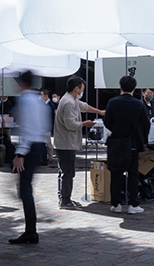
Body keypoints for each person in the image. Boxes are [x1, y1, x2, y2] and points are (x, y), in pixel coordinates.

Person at [9, 70, 50, 244]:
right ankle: (30, 231)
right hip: (39, 145)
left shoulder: (25, 100)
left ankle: (31, 231)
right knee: (26, 189)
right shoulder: (39, 100)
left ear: (22, 83)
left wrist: (20, 153)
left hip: (30, 147)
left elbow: (27, 129)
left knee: (25, 190)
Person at [53, 75, 105, 209]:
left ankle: (64, 198)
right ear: (76, 89)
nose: (82, 92)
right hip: (65, 144)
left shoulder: (71, 100)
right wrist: (84, 124)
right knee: (67, 173)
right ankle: (65, 201)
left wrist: (99, 111)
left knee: (65, 172)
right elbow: (70, 124)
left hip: (65, 143)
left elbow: (84, 106)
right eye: (82, 89)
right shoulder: (69, 102)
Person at [103, 75, 150, 214]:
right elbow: (146, 124)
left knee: (116, 173)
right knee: (133, 174)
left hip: (117, 142)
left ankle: (116, 204)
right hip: (133, 143)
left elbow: (107, 122)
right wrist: (143, 139)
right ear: (134, 89)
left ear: (120, 87)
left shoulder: (112, 102)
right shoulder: (139, 104)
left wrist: (117, 130)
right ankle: (133, 205)